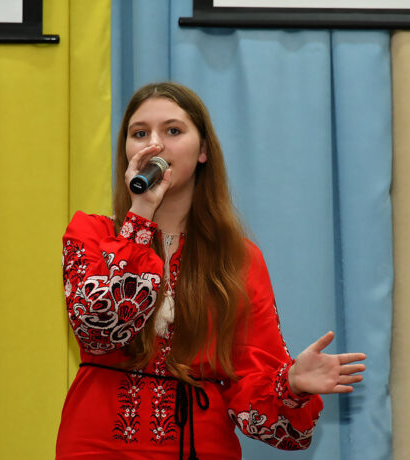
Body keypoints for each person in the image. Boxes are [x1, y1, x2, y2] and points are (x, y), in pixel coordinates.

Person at [56, 82, 366, 460]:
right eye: (139, 134)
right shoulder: (91, 234)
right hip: (96, 444)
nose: (154, 145)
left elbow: (256, 400)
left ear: (203, 151)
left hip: (201, 446)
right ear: (126, 152)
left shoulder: (237, 258)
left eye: (173, 131)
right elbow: (99, 330)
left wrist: (292, 385)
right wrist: (140, 216)